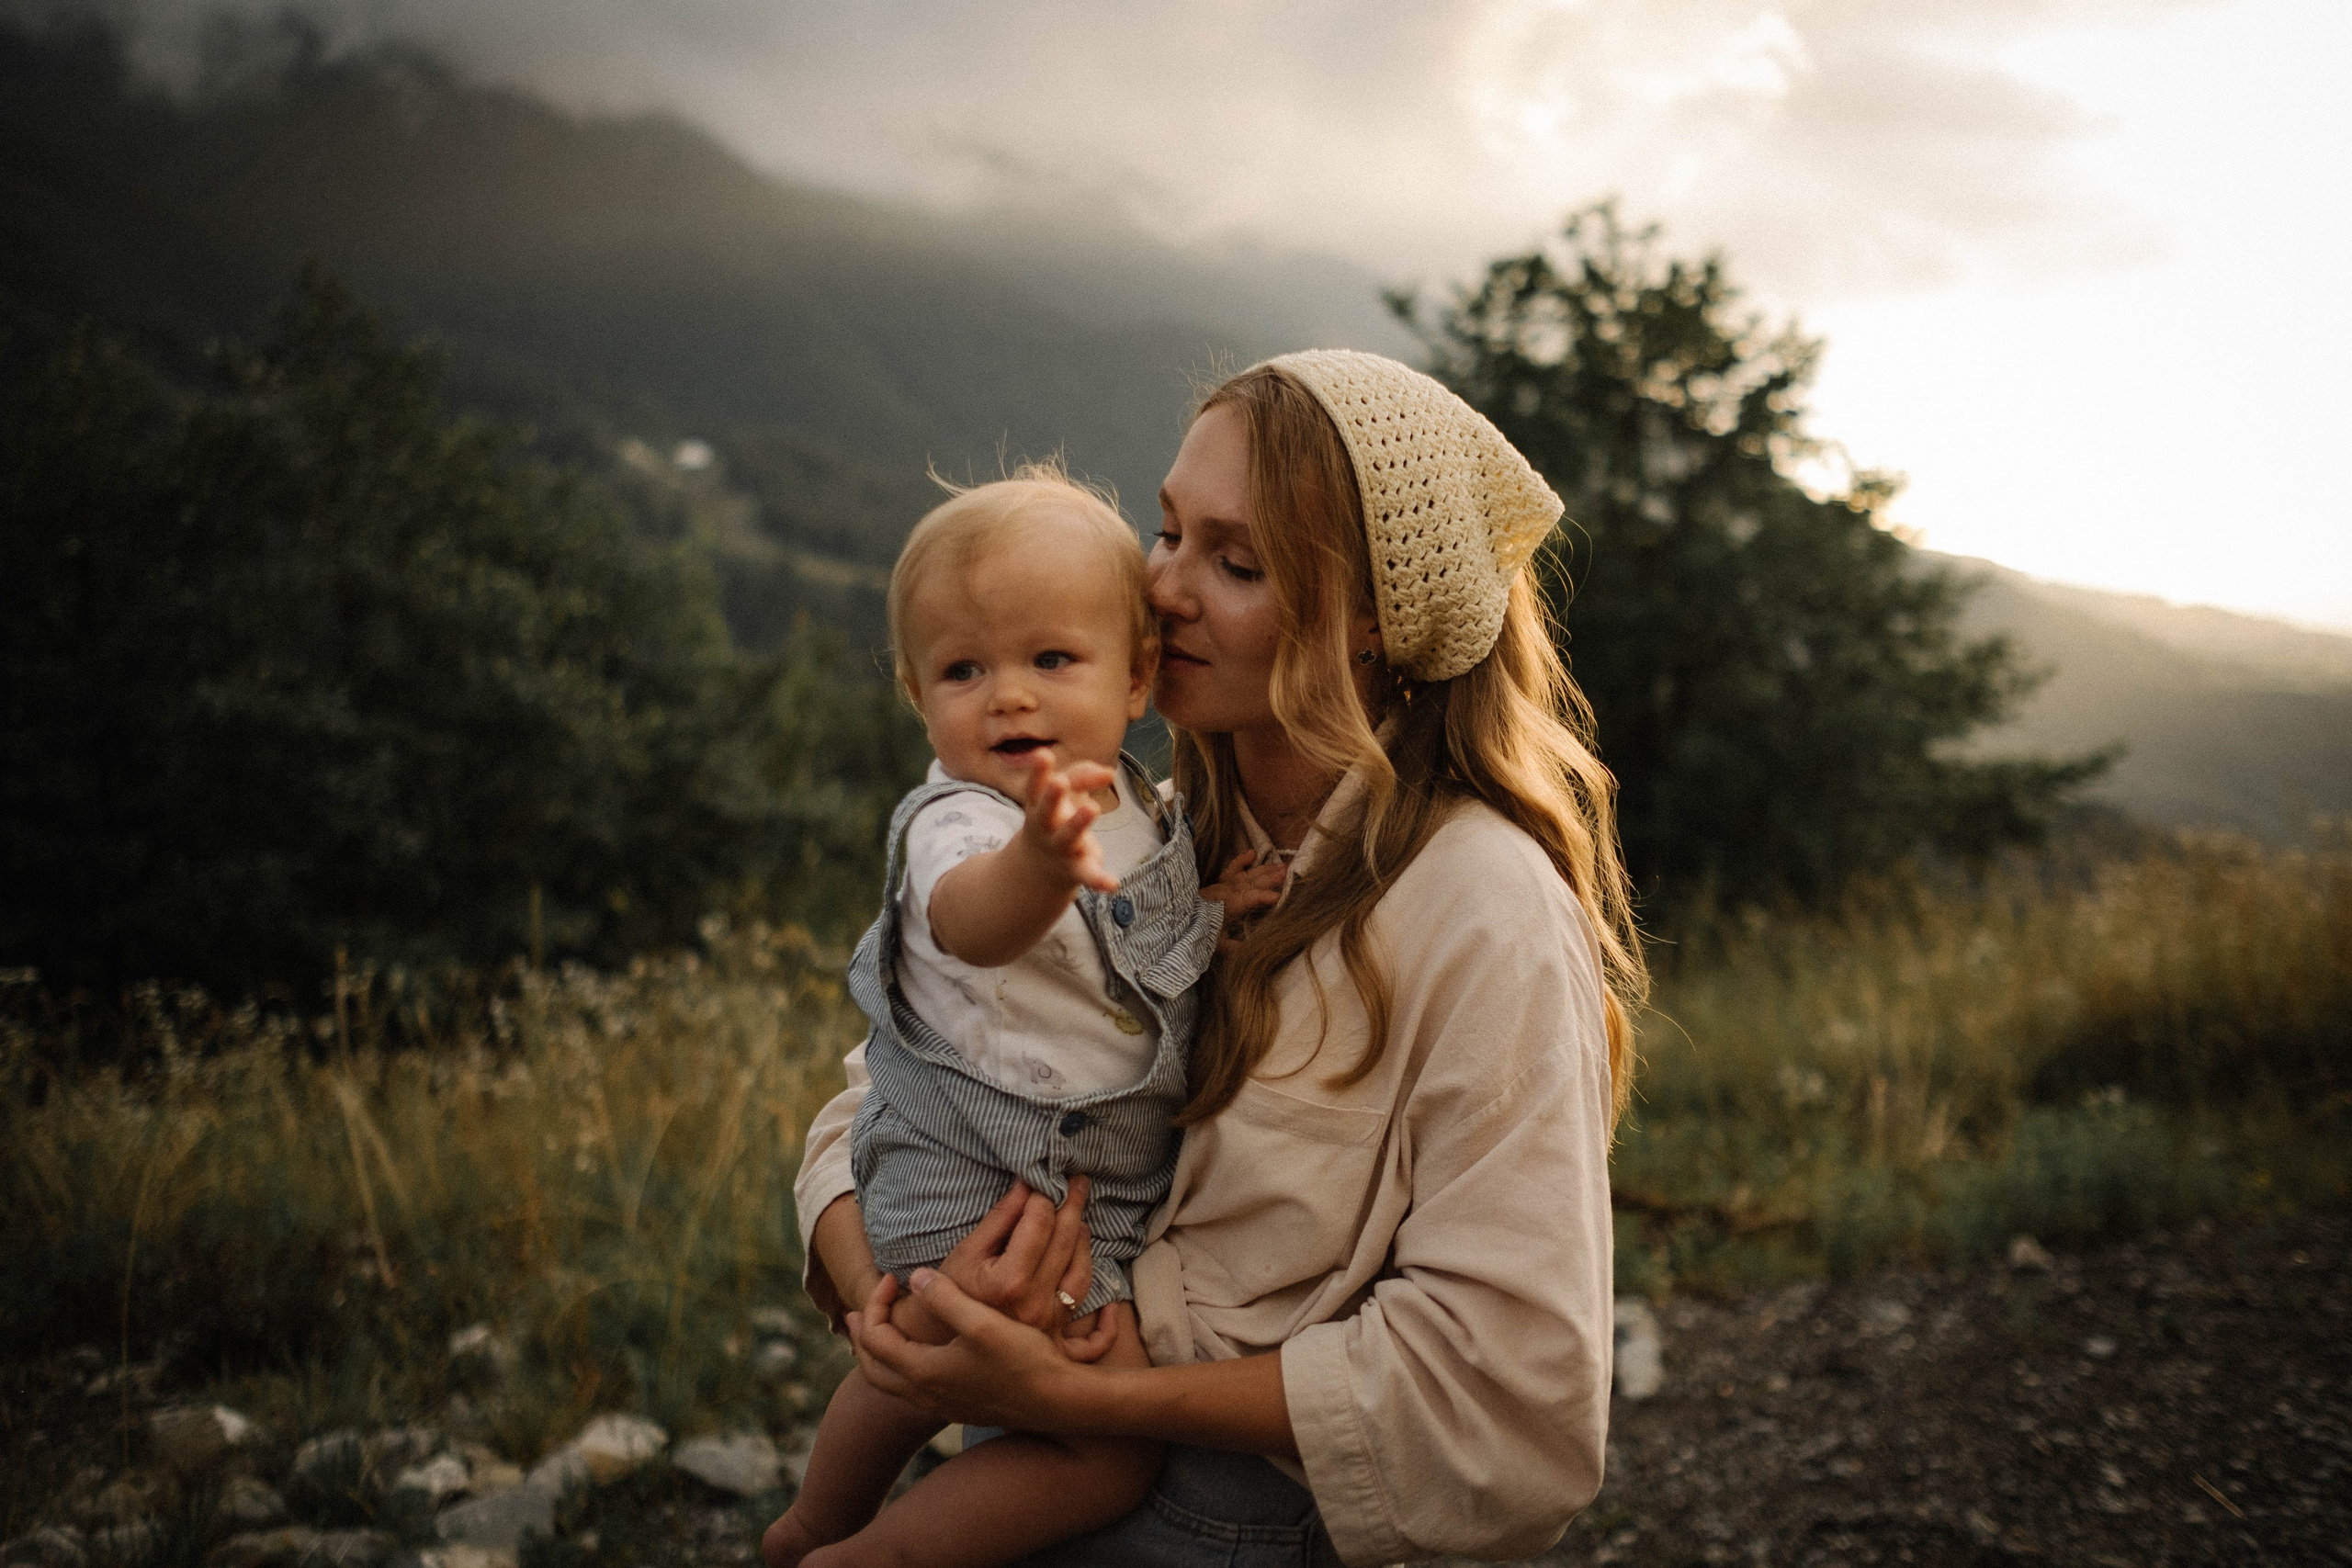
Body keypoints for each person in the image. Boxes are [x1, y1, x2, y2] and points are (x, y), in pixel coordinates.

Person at [793, 351, 1648, 1566]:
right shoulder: (1148, 815)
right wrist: (902, 1309)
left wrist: (1090, 1398)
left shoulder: (1480, 903)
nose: (1165, 589)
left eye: (1236, 562)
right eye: (1168, 530)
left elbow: (1514, 1414)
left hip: (1239, 1522)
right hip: (1023, 1463)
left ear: (1373, 626)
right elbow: (899, 1069)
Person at [763, 468, 1287, 1568]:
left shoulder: (1149, 810)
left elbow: (1133, 951)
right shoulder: (958, 824)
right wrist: (1040, 864)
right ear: (919, 696)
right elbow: (973, 926)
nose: (1007, 695)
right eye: (963, 670)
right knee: (931, 1348)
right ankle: (836, 1533)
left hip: (1097, 1194)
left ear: (1137, 676)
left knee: (1073, 1426)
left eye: (1050, 660)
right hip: (964, 1161)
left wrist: (1210, 910)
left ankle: (850, 1539)